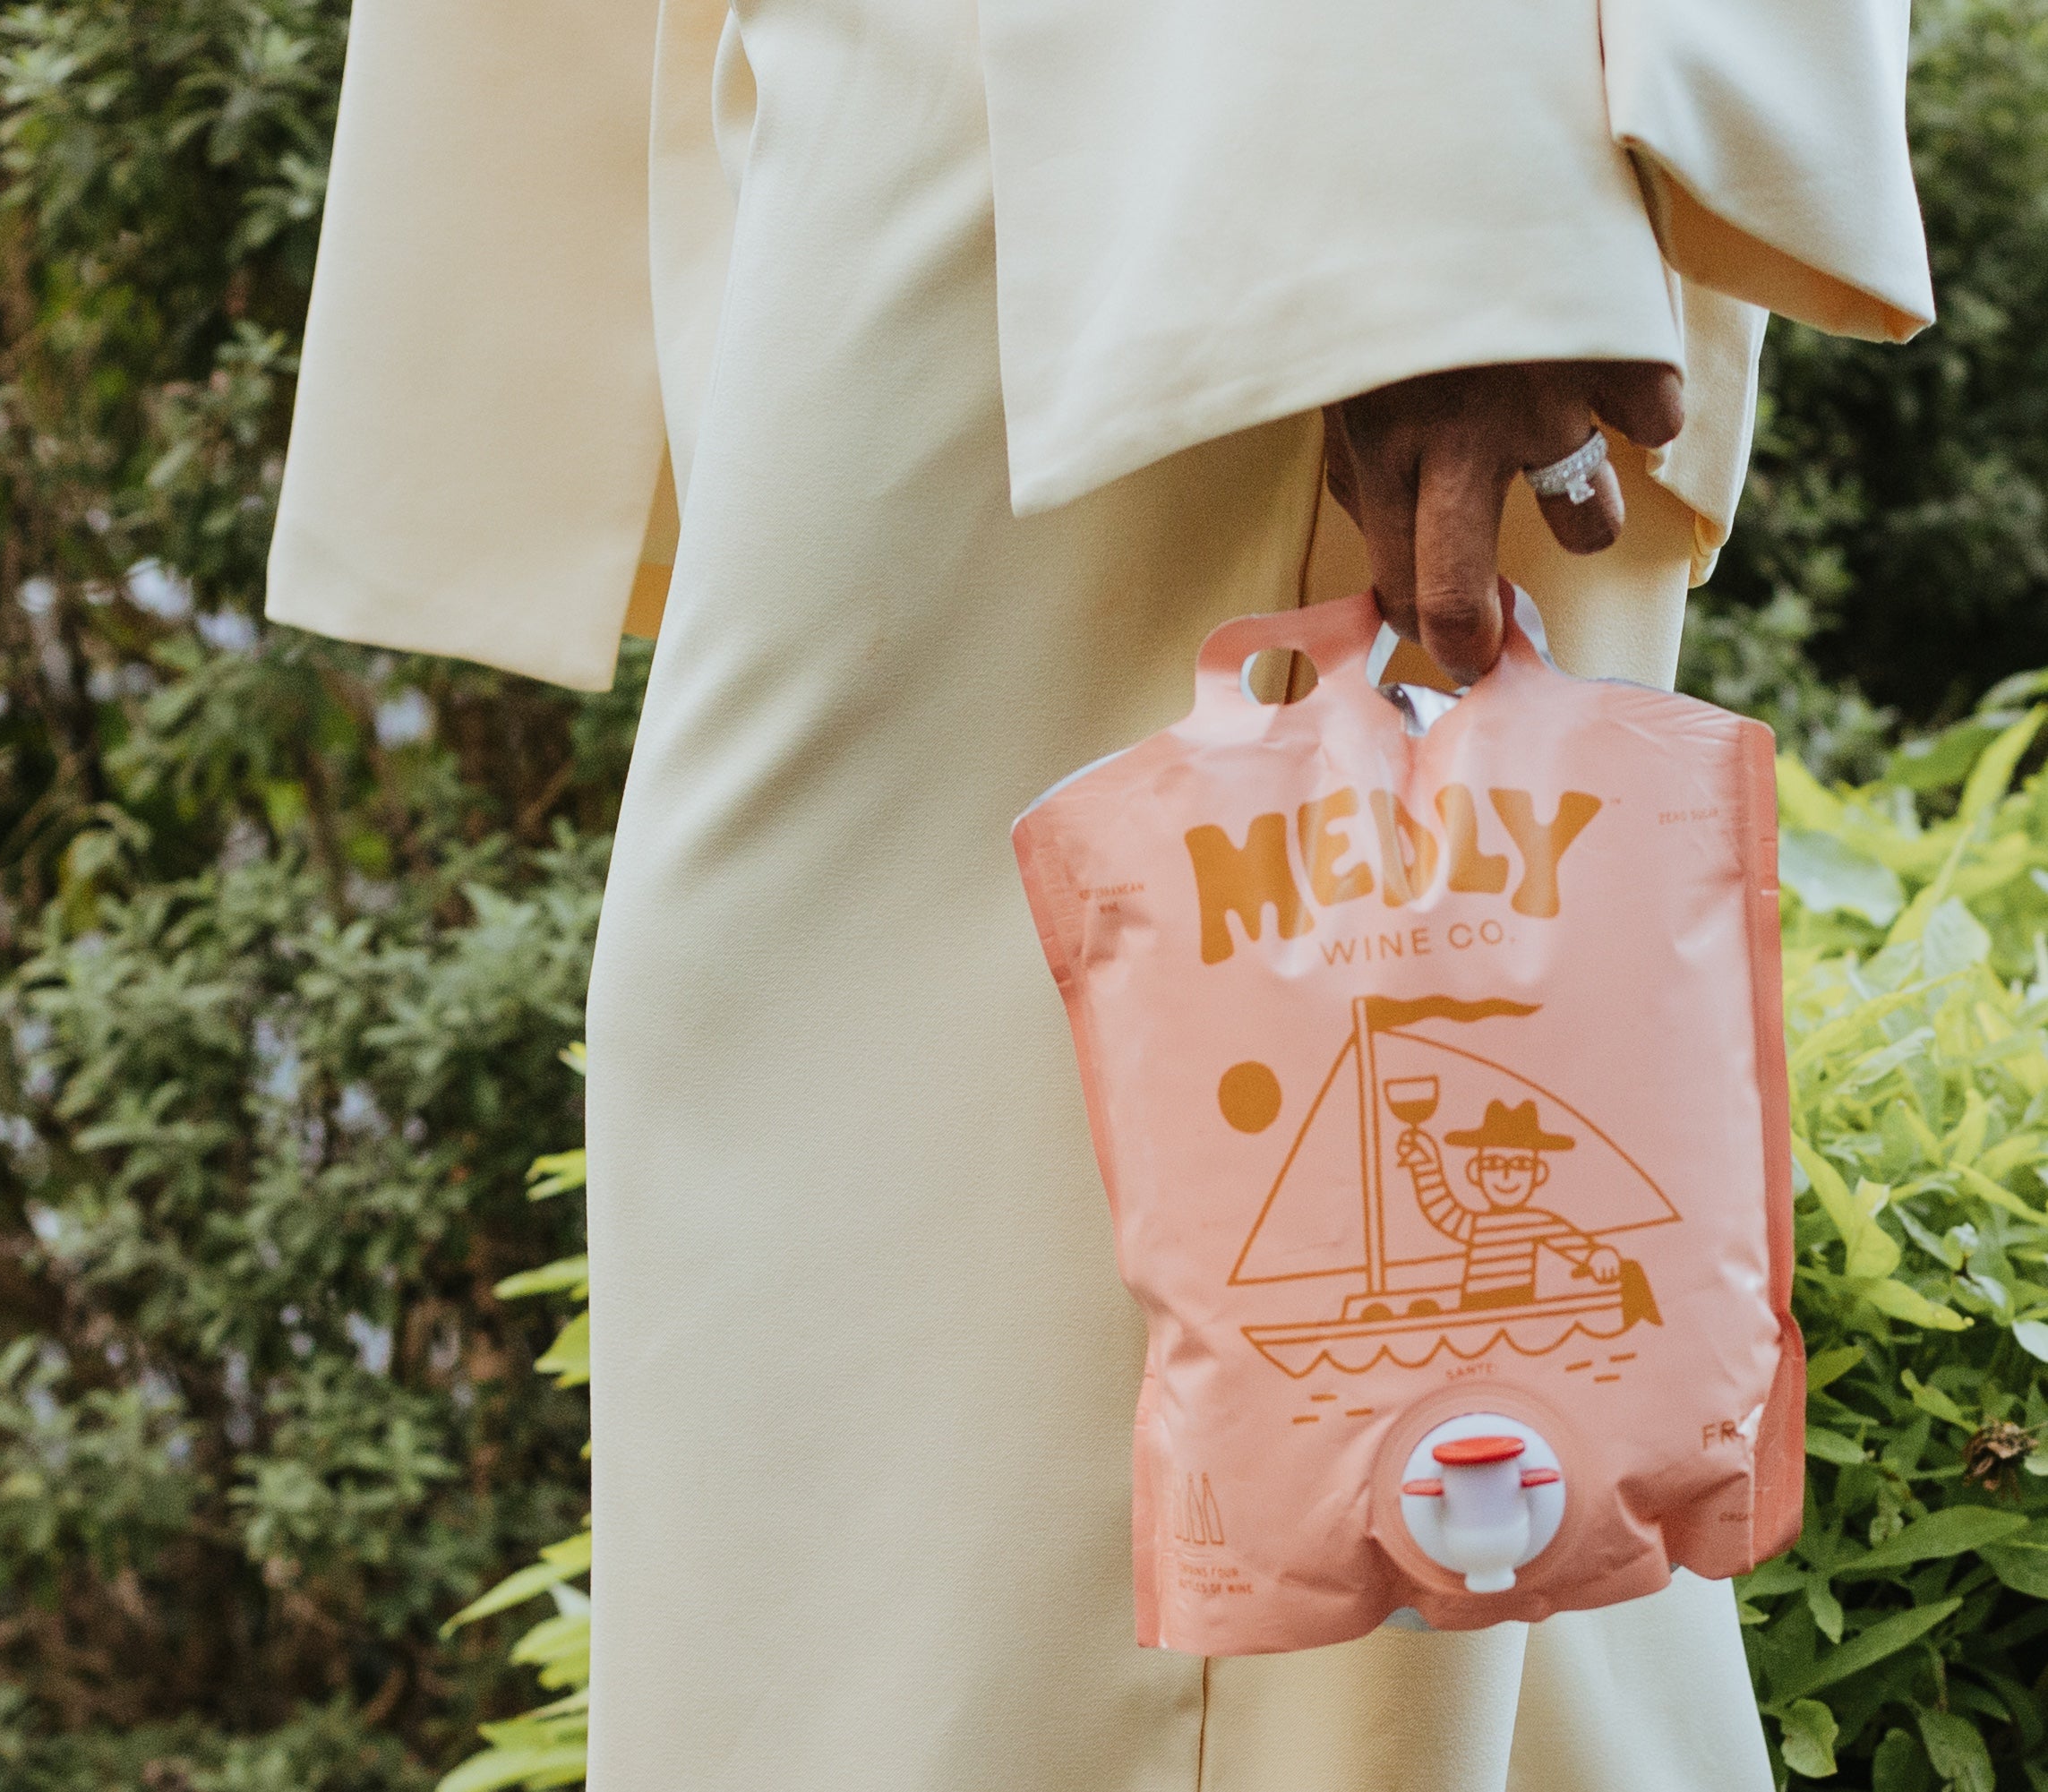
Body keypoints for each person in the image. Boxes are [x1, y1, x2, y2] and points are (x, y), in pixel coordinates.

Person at [261, 2, 1931, 1786]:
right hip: (1035, 116)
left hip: (1257, 134)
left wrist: (1444, 199)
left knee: (1288, 1423)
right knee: (1069, 1307)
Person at [1401, 1101, 1615, 1309]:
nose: (1506, 1175)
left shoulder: (1535, 1221)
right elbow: (1443, 1210)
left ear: (1538, 1173)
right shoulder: (1477, 1225)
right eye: (1493, 1163)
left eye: (1520, 1164)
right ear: (1475, 1171)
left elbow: (1568, 1241)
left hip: (1517, 1307)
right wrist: (1426, 1166)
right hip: (1473, 1305)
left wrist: (1597, 1256)